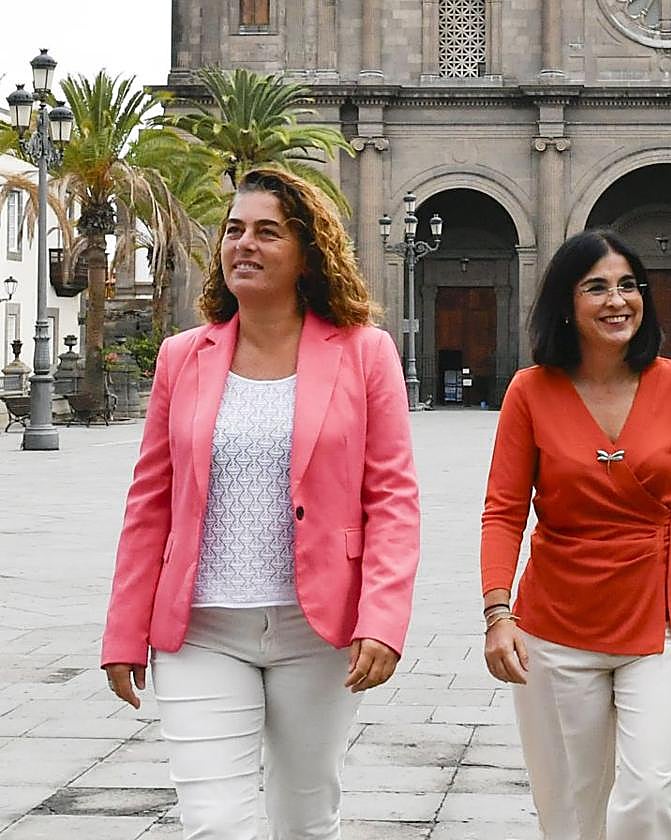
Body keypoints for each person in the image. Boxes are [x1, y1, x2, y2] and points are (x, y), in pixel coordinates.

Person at [100, 168, 422, 839]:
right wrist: (123, 631)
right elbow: (149, 503)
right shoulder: (181, 357)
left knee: (304, 819)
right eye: (234, 230)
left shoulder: (366, 354)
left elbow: (392, 495)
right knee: (216, 824)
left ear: (308, 251)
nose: (243, 244)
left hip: (319, 630)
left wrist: (384, 617)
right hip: (202, 628)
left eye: (267, 232)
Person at [479, 229, 671, 840]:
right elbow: (503, 512)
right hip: (554, 626)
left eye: (628, 285)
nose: (617, 300)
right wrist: (499, 613)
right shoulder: (530, 391)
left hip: (660, 618)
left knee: (652, 795)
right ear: (566, 305)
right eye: (595, 287)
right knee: (572, 811)